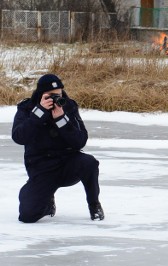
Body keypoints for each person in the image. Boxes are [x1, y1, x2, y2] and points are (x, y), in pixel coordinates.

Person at [12, 73, 104, 223]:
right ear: (41, 94)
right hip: (42, 168)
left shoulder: (68, 106)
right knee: (27, 216)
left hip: (67, 164)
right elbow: (19, 137)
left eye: (58, 95)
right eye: (51, 96)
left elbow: (80, 141)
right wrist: (39, 112)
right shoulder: (27, 108)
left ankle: (94, 205)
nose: (56, 99)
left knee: (89, 162)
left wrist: (61, 119)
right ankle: (43, 199)